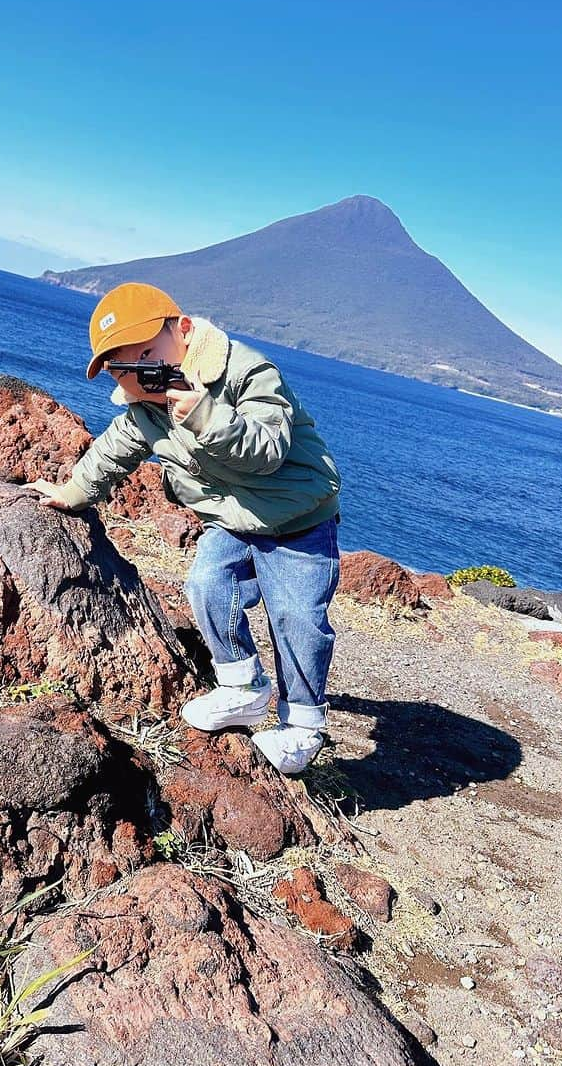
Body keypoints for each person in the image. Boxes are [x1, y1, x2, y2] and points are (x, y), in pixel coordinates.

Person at [22, 282, 342, 775]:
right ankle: (242, 686)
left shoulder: (244, 371)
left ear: (185, 330)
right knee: (207, 584)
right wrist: (73, 492)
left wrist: (207, 416)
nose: (143, 373)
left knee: (296, 619)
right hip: (234, 520)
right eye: (125, 366)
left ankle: (302, 725)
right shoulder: (146, 407)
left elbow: (268, 451)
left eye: (149, 353)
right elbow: (115, 449)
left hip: (298, 520)